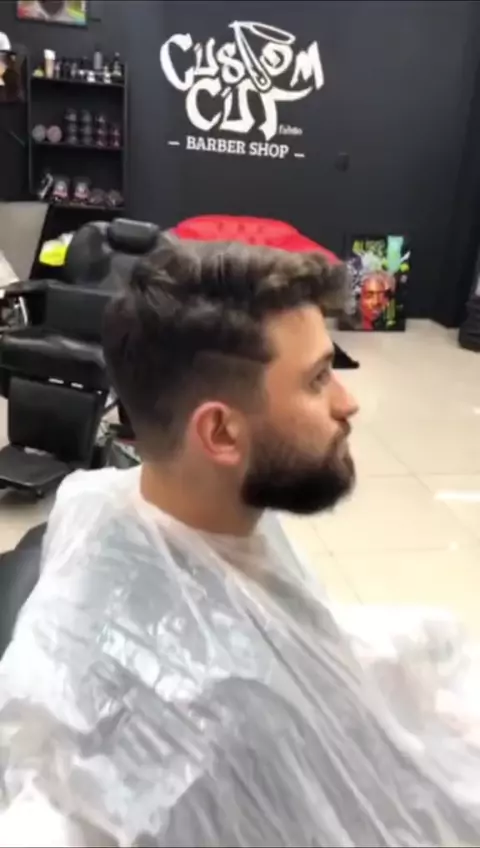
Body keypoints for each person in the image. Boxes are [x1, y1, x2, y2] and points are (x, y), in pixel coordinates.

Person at [0, 238, 479, 847]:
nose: (349, 402)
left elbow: (300, 639)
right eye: (318, 379)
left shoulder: (123, 499)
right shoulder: (211, 730)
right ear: (221, 433)